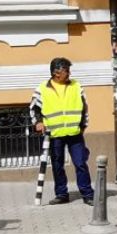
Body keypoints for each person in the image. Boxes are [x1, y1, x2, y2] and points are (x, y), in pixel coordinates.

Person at [30, 57, 94, 205]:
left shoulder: (76, 86)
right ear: (56, 72)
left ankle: (88, 194)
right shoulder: (42, 88)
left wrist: (83, 126)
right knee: (57, 165)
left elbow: (84, 108)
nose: (69, 73)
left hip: (75, 134)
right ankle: (61, 194)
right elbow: (34, 108)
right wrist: (38, 122)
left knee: (80, 164)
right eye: (66, 70)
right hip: (54, 134)